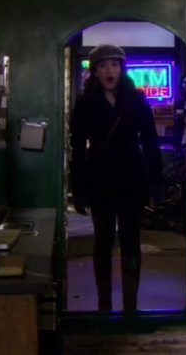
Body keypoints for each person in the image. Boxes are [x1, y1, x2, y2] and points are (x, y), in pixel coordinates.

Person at [69, 44, 162, 313]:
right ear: (95, 71)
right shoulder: (86, 103)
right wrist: (79, 189)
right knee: (103, 240)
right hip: (100, 179)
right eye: (103, 65)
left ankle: (131, 305)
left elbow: (151, 142)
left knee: (131, 240)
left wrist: (155, 184)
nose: (109, 70)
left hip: (132, 177)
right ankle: (104, 303)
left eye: (114, 65)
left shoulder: (136, 99)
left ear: (122, 69)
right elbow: (78, 148)